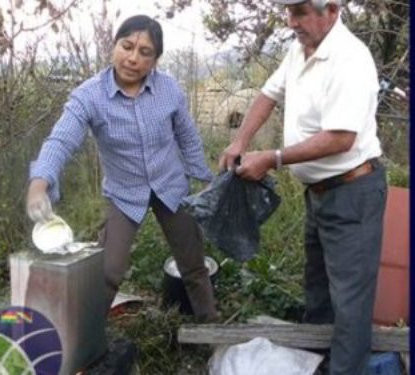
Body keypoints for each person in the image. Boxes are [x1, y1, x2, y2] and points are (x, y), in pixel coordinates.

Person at [219, 1, 387, 374]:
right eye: (289, 11)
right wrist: (240, 142)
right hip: (319, 193)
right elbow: (267, 95)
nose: (291, 21)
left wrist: (272, 157)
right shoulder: (298, 51)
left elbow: (340, 138)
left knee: (351, 306)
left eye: (301, 11)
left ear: (332, 10)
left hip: (353, 194)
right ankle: (315, 365)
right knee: (319, 292)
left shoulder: (350, 59)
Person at [26, 15, 219, 323]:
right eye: (127, 46)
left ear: (155, 60)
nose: (133, 58)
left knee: (194, 264)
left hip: (171, 187)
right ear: (114, 46)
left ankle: (212, 331)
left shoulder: (168, 90)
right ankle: (87, 337)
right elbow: (60, 141)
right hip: (124, 192)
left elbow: (188, 136)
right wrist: (40, 183)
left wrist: (207, 180)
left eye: (145, 52)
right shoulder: (89, 96)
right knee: (108, 271)